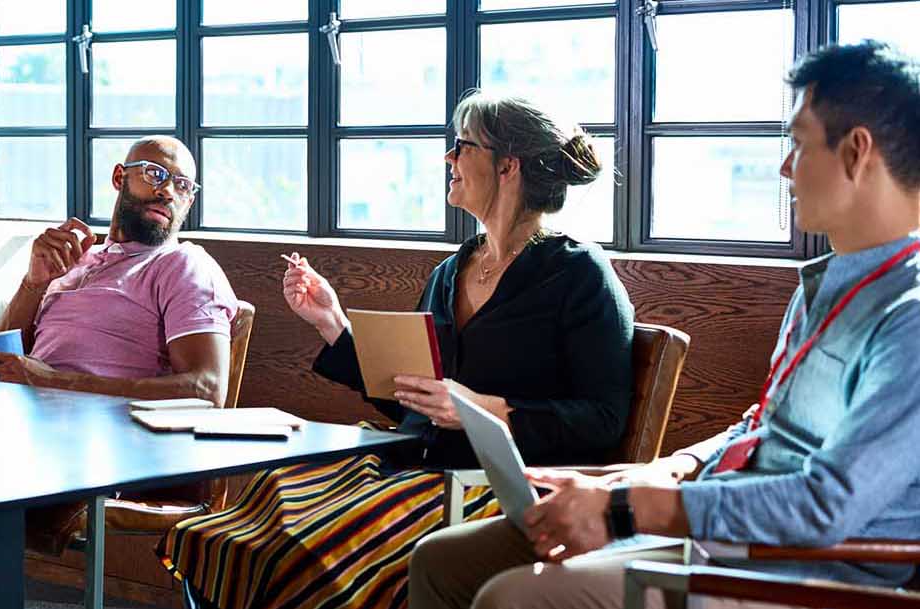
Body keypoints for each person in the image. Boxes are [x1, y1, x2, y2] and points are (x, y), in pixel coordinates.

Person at [408, 41, 920, 609]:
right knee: (442, 561)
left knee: (509, 597)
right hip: (719, 531)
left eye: (798, 145)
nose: (783, 167)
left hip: (797, 572)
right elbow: (762, 427)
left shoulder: (910, 318)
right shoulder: (826, 288)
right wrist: (662, 471)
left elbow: (826, 505)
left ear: (856, 153)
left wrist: (631, 507)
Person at [161, 93, 634, 609]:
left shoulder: (579, 276)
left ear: (508, 166)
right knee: (258, 507)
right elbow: (411, 398)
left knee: (311, 547)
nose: (448, 159)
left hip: (487, 490)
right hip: (409, 465)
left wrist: (483, 410)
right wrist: (333, 323)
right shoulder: (450, 272)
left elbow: (604, 418)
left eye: (462, 146)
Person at [0, 135, 238, 406]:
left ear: (189, 202)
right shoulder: (73, 262)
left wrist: (52, 381)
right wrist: (33, 284)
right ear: (119, 177)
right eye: (154, 173)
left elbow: (207, 390)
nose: (167, 191)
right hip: (26, 424)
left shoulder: (184, 265)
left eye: (182, 185)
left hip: (115, 437)